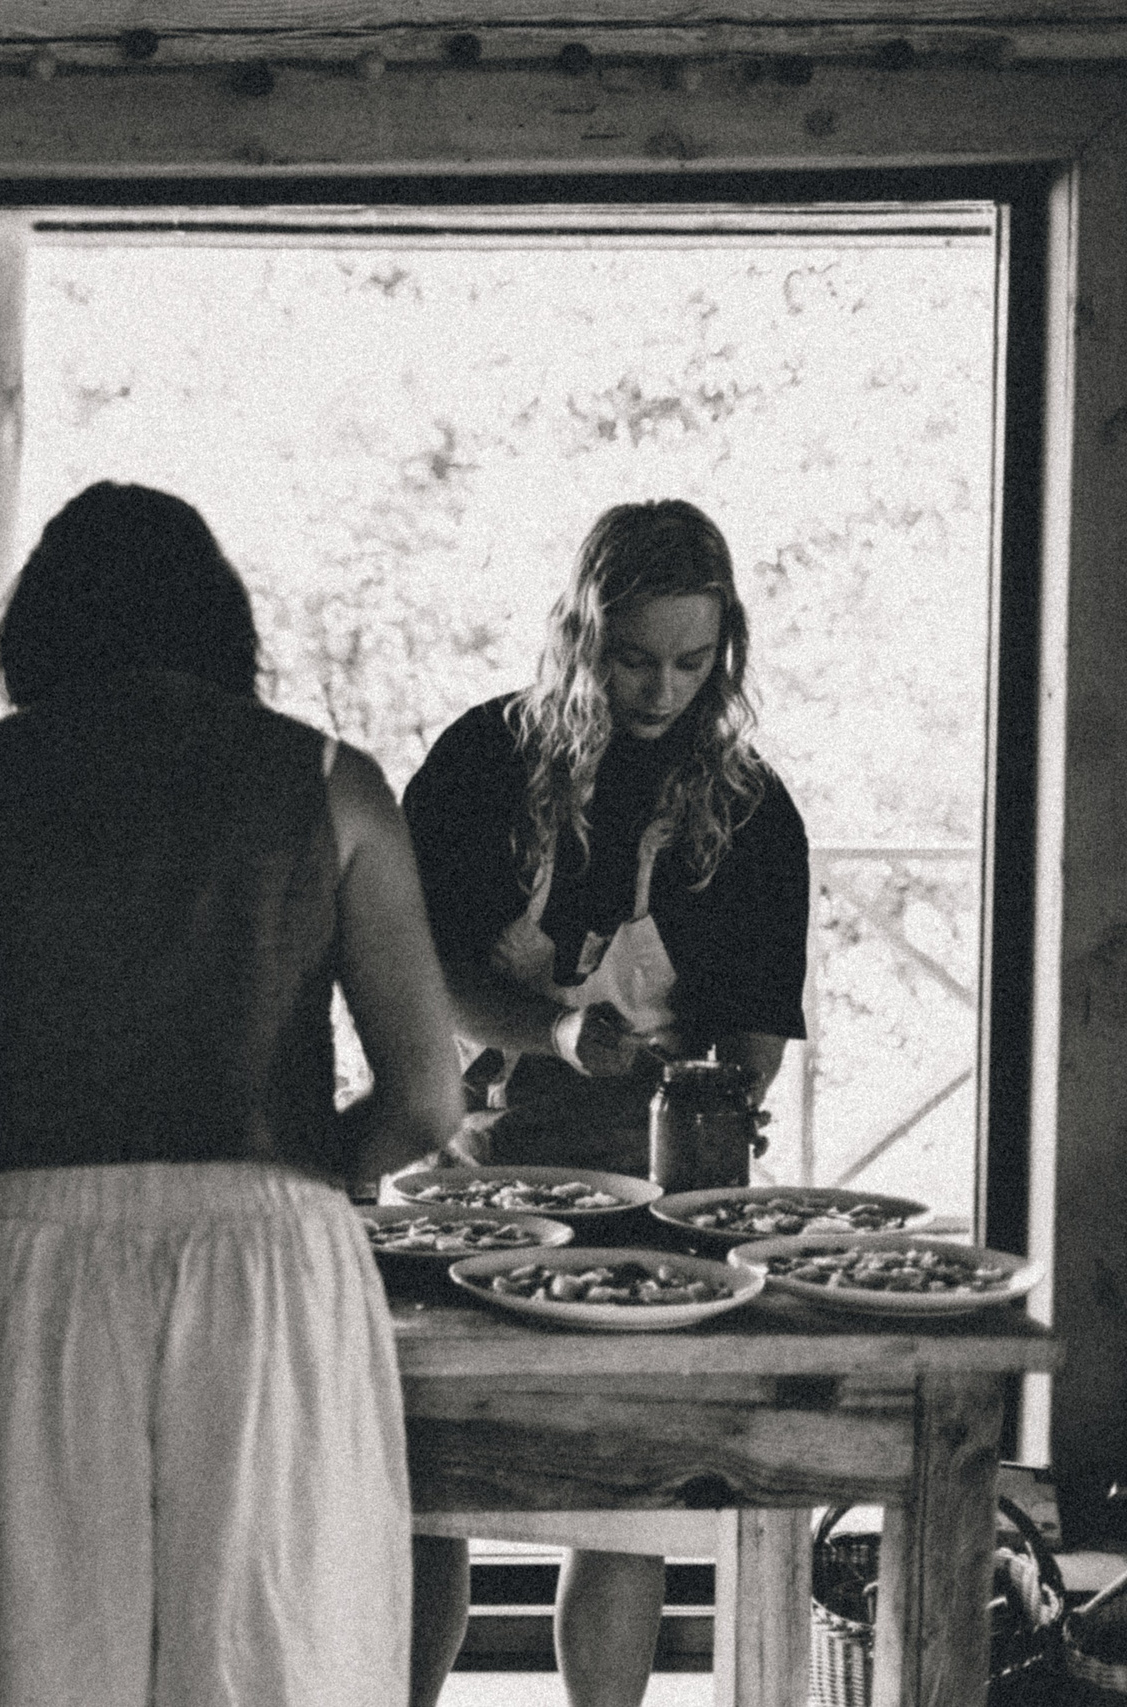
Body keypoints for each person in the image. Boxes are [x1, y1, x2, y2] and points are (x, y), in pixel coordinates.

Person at [0, 481, 464, 1707]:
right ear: (221, 626)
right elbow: (427, 1102)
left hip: (39, 1259)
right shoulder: (333, 782)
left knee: (45, 1659)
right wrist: (314, 1165)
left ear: (40, 632)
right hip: (271, 1254)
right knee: (276, 1654)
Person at [399, 498, 811, 1707]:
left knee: (621, 1502)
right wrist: (555, 1032)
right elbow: (414, 974)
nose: (660, 688)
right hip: (466, 1165)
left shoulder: (747, 808)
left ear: (723, 649)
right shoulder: (484, 761)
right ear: (581, 634)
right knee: (430, 1489)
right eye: (633, 657)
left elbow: (754, 1028)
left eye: (691, 661)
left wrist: (717, 1095)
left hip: (650, 1192)